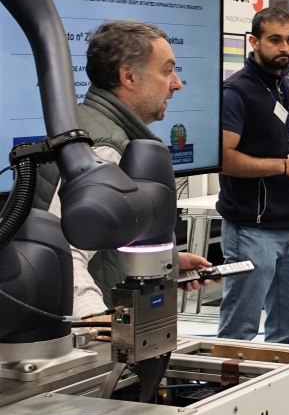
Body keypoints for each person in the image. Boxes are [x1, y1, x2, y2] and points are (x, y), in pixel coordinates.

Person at [34, 20, 213, 318]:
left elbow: (101, 235)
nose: (177, 83)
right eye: (167, 70)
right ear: (128, 76)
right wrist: (95, 318)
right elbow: (65, 252)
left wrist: (166, 264)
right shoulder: (104, 146)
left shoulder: (93, 126)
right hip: (95, 332)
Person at [217, 8, 289, 345]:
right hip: (252, 229)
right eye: (275, 40)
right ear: (254, 42)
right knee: (239, 330)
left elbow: (284, 143)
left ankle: (282, 378)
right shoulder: (235, 93)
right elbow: (223, 159)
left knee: (288, 330)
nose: (285, 48)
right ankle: (229, 378)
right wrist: (284, 166)